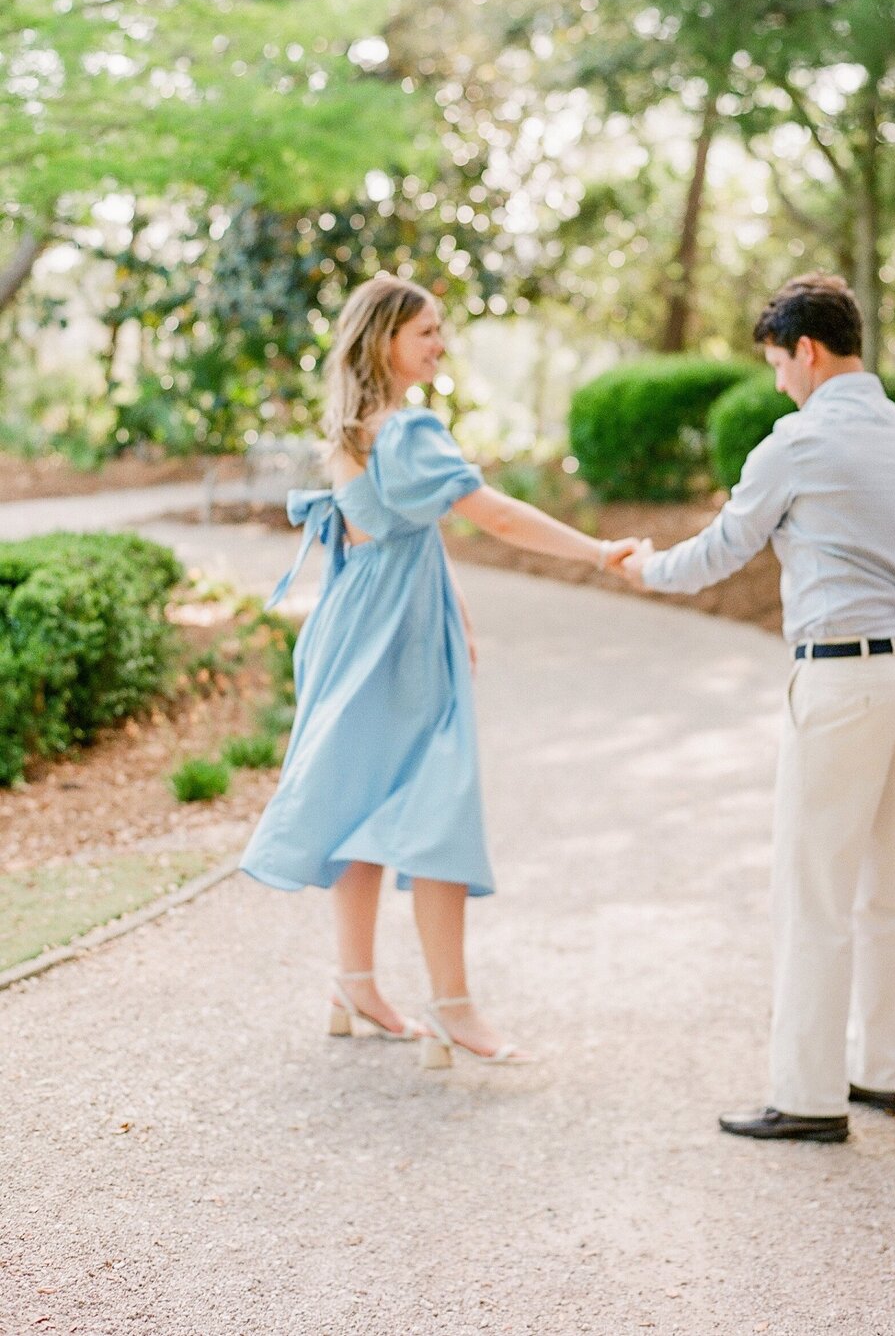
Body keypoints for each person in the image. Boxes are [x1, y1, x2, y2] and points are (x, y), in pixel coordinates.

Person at [241, 274, 638, 1067]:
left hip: (354, 628)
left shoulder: (353, 428)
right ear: (384, 338)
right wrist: (597, 552)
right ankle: (452, 1005)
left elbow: (401, 534)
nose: (440, 343)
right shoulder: (410, 429)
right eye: (426, 331)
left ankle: (354, 982)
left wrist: (456, 611)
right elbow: (487, 513)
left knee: (361, 801)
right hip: (392, 640)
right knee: (439, 804)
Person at [622, 273, 895, 1141]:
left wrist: (641, 568)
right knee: (886, 887)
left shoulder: (799, 442)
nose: (777, 381)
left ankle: (806, 1097)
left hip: (842, 678)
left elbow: (725, 547)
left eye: (777, 362)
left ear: (806, 351)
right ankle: (882, 1076)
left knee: (812, 891)